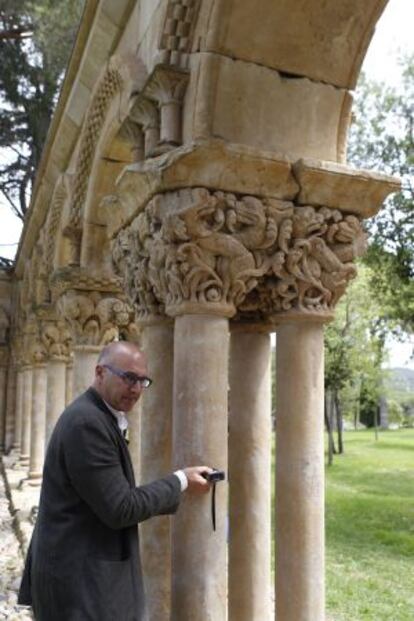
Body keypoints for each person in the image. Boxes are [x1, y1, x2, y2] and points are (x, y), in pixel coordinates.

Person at [18, 341, 213, 621]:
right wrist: (180, 480)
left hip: (80, 574)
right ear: (99, 373)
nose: (135, 389)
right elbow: (120, 507)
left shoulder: (99, 416)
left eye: (142, 381)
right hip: (78, 584)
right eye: (128, 378)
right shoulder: (87, 424)